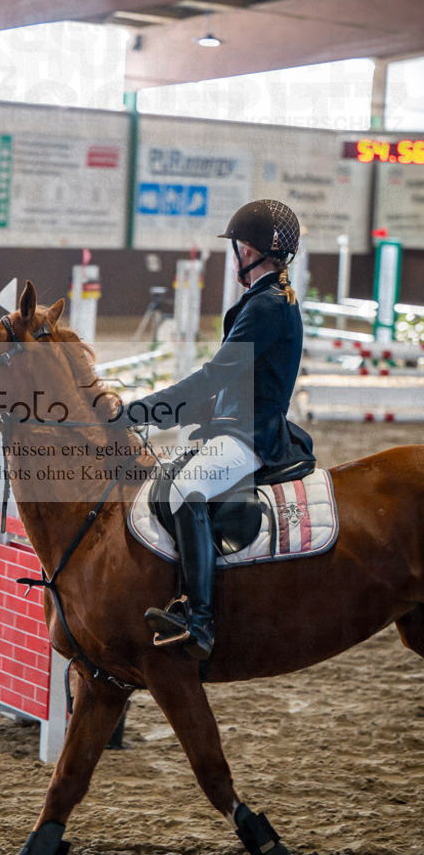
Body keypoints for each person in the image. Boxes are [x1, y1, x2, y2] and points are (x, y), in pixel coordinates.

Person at [118, 199, 315, 660]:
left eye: (236, 249)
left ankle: (199, 619)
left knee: (187, 489)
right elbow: (218, 391)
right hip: (231, 428)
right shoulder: (264, 299)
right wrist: (147, 412)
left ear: (246, 251)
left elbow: (213, 378)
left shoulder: (268, 305)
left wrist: (140, 411)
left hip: (253, 436)